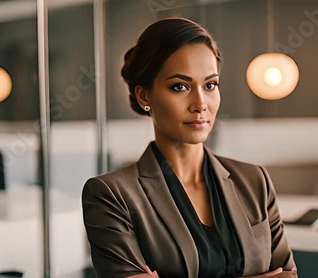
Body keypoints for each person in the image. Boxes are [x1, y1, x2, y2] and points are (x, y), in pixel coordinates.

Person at [82, 17, 297, 278]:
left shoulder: (254, 181)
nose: (200, 103)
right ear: (144, 95)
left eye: (210, 85)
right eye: (180, 86)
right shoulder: (111, 195)